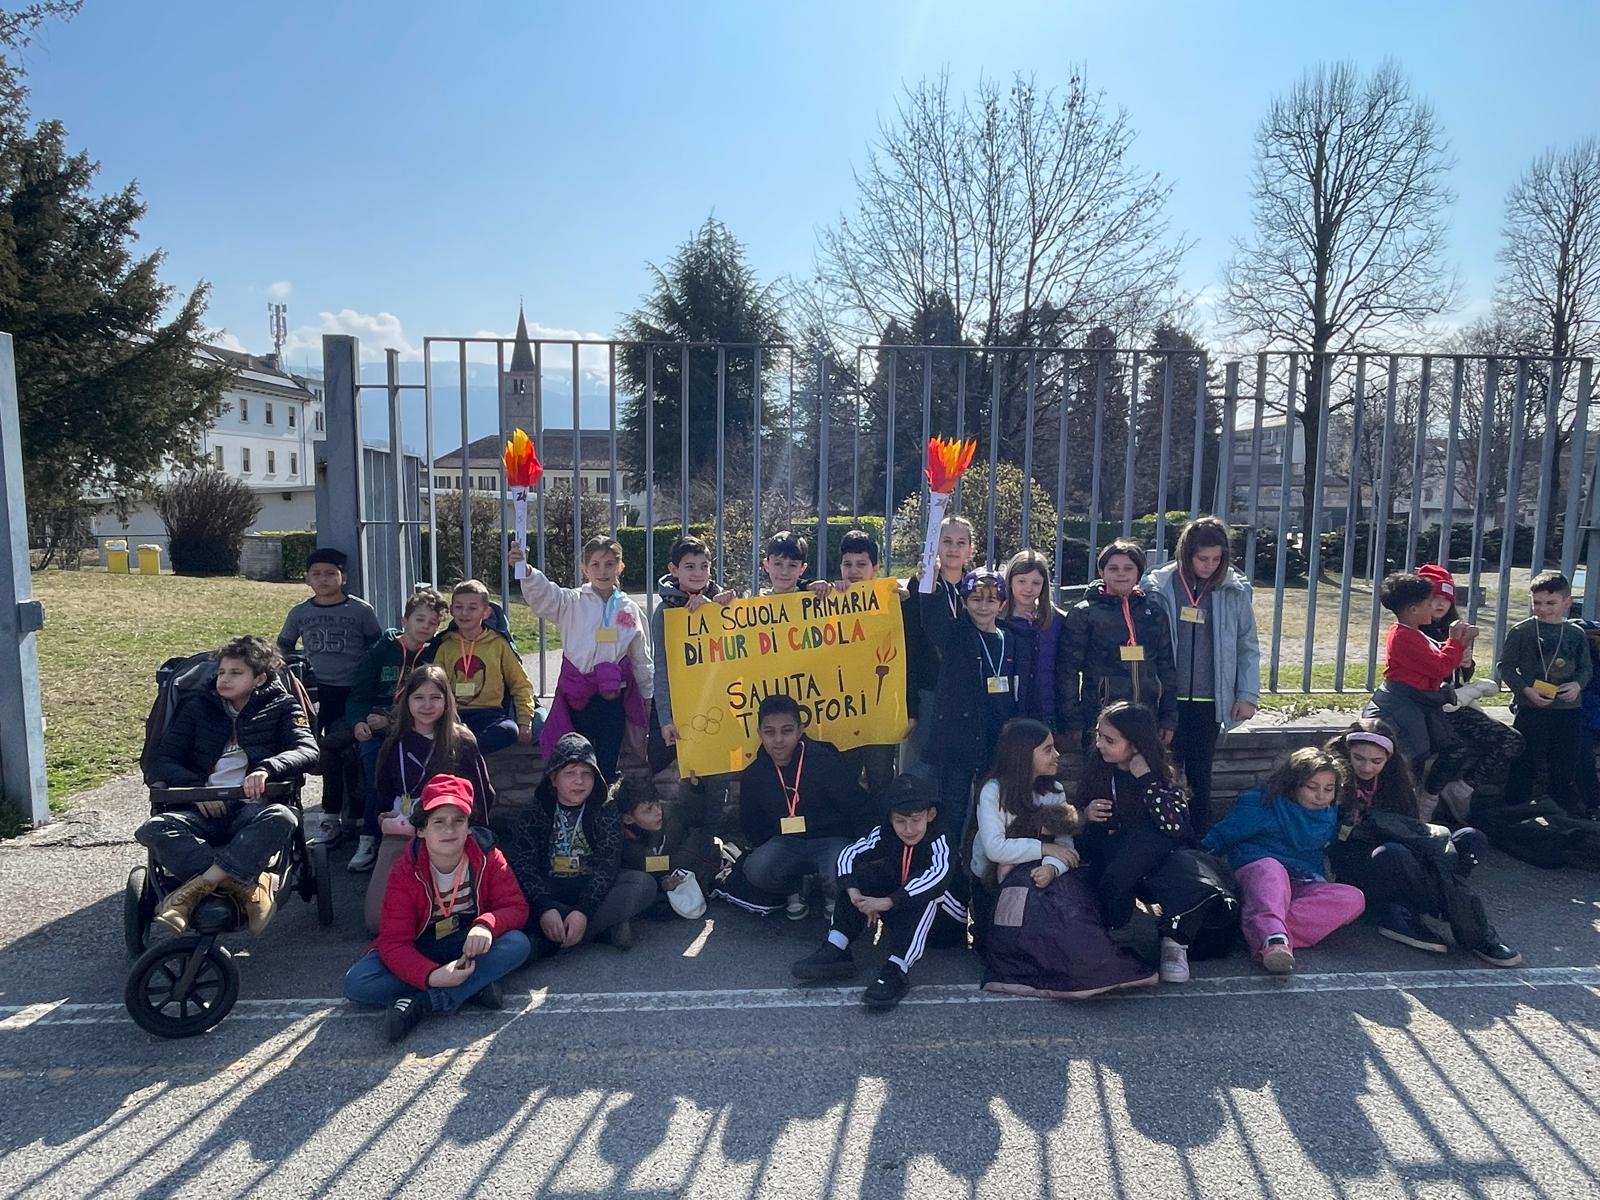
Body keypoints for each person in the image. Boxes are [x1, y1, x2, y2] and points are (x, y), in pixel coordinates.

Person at [140, 635, 320, 935]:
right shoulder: (197, 706)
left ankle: (198, 887)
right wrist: (195, 789)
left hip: (250, 808)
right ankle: (248, 885)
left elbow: (307, 750)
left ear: (259, 678)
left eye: (236, 673)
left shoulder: (282, 706)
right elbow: (161, 760)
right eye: (222, 672)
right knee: (153, 829)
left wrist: (267, 768)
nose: (224, 679)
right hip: (200, 808)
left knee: (283, 817)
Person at [972, 720, 1157, 1000]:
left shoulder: (1054, 791)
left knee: (1064, 916)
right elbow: (995, 849)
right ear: (1023, 755)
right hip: (998, 880)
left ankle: (1090, 967)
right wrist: (1044, 849)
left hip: (1044, 874)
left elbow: (1065, 846)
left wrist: (1052, 867)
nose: (1057, 755)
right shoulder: (993, 790)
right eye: (1048, 750)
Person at [343, 774, 531, 1043]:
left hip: (466, 944)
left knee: (518, 944)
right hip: (421, 946)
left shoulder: (489, 856)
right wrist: (431, 975)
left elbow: (516, 907)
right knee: (358, 982)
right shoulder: (405, 870)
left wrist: (486, 925)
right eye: (438, 822)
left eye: (458, 821)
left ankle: (424, 1003)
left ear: (469, 827)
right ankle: (473, 987)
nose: (449, 830)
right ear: (421, 830)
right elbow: (394, 942)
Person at [1324, 721, 1520, 966]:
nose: (1367, 767)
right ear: (1348, 752)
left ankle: (1415, 908)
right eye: (1359, 758)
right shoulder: (1333, 777)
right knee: (1392, 853)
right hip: (1360, 863)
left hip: (1402, 854)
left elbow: (1411, 827)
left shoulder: (1396, 780)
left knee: (1471, 838)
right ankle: (1470, 926)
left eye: (1376, 761)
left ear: (1388, 759)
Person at [1073, 701, 1237, 985]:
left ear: (1136, 744)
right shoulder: (1098, 769)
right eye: (1099, 736)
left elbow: (1176, 828)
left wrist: (1147, 780)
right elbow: (1075, 816)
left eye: (1109, 740)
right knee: (1127, 855)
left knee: (1178, 863)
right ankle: (1114, 930)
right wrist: (1085, 814)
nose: (1099, 744)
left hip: (1158, 861)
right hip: (1114, 860)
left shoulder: (1158, 774)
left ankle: (1174, 941)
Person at [791, 775, 967, 1010]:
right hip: (902, 908)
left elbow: (936, 878)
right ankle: (837, 947)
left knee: (927, 893)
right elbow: (849, 855)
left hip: (944, 924)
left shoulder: (942, 838)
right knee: (863, 875)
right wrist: (853, 891)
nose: (908, 829)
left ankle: (897, 968)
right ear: (890, 818)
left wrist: (888, 901)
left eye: (916, 820)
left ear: (931, 815)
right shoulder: (886, 832)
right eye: (900, 821)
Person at [1142, 516, 1261, 831]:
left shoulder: (1234, 589)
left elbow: (1247, 644)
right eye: (1202, 558)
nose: (1209, 565)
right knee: (1165, 772)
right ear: (1186, 554)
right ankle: (1165, 834)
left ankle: (1199, 837)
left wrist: (1247, 694)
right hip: (1168, 698)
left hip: (1210, 699)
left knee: (1200, 774)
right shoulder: (1159, 585)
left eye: (1216, 559)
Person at [1202, 748, 1365, 974]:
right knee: (1272, 870)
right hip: (1258, 876)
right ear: (1293, 784)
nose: (1321, 796)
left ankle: (1254, 930)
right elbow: (1219, 838)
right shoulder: (1260, 804)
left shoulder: (1330, 814)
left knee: (1353, 898)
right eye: (1312, 787)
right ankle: (1272, 939)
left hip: (1303, 881)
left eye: (1329, 789)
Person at [712, 694, 873, 920]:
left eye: (786, 731)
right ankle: (794, 887)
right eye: (770, 732)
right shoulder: (754, 774)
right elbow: (751, 826)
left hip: (830, 839)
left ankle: (831, 892)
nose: (778, 740)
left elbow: (856, 805)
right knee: (757, 868)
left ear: (800, 731)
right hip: (785, 842)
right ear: (759, 734)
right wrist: (770, 847)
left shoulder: (825, 761)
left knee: (842, 866)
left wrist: (861, 847)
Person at [361, 664, 496, 933]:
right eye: (419, 697)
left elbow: (482, 796)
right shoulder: (395, 743)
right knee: (377, 922)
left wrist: (470, 830)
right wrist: (383, 818)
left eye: (435, 697)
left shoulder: (462, 742)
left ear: (446, 701)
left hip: (450, 832)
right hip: (403, 831)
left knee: (447, 915)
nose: (427, 705)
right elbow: (383, 792)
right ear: (407, 701)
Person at [503, 732, 658, 955]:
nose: (579, 781)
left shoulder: (605, 809)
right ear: (553, 778)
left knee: (643, 884)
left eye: (587, 773)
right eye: (570, 773)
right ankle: (604, 930)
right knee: (514, 895)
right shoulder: (534, 810)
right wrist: (544, 907)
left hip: (590, 887)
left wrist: (584, 910)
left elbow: (607, 864)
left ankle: (555, 940)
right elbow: (524, 864)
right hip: (549, 888)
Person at [512, 536, 651, 782]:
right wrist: (528, 571)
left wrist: (648, 697)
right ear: (585, 569)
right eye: (595, 564)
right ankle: (577, 803)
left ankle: (604, 802)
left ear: (620, 567)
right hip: (578, 698)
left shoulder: (629, 608)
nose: (602, 571)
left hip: (612, 698)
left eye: (609, 564)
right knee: (577, 761)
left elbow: (641, 657)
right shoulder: (571, 602)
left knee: (607, 759)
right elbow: (546, 595)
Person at [276, 547, 382, 844]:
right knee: (321, 754)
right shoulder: (300, 613)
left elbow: (376, 648)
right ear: (307, 578)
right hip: (316, 693)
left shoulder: (361, 611)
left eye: (330, 573)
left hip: (353, 692)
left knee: (348, 751)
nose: (323, 579)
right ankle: (323, 816)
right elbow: (282, 649)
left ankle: (352, 816)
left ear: (343, 577)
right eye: (316, 574)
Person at [927, 567, 1039, 840]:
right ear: (964, 602)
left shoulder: (1010, 638)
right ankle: (948, 863)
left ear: (1002, 604)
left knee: (990, 809)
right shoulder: (956, 634)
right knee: (954, 809)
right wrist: (929, 581)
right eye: (976, 599)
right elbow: (932, 621)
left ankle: (979, 863)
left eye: (991, 600)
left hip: (997, 739)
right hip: (960, 739)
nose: (983, 606)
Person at [346, 587, 449, 871]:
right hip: (376, 726)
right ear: (405, 620)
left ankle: (418, 832)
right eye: (420, 619)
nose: (425, 627)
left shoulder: (435, 653)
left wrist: (392, 722)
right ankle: (369, 838)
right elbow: (358, 694)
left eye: (432, 623)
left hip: (413, 724)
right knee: (377, 775)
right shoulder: (380, 651)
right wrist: (358, 721)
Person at [812, 528, 918, 802]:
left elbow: (907, 657)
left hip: (880, 712)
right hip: (841, 710)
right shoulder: (829, 600)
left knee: (880, 778)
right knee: (843, 780)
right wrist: (815, 589)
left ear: (876, 568)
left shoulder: (893, 601)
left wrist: (904, 602)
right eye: (848, 564)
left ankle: (882, 825)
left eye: (862, 564)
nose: (854, 571)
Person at [1414, 565, 1523, 822]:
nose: (1440, 604)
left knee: (1512, 740)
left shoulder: (1453, 628)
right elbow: (1429, 673)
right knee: (1456, 749)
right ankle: (1428, 798)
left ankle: (1463, 788)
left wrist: (1466, 664)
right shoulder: (1415, 632)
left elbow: (1460, 677)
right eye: (1433, 598)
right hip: (1430, 707)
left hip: (1457, 705)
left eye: (1445, 598)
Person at [649, 535, 735, 832]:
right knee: (691, 778)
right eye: (689, 566)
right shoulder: (664, 613)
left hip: (722, 707)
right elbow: (661, 668)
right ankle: (689, 839)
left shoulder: (724, 601)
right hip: (686, 711)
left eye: (704, 566)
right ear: (674, 570)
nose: (698, 573)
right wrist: (665, 718)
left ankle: (714, 839)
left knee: (720, 780)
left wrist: (717, 609)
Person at [1363, 570, 1476, 794]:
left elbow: (1436, 660)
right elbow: (1440, 667)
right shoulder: (1403, 636)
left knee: (1448, 749)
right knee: (1410, 758)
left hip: (1416, 702)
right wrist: (1455, 641)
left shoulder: (1411, 633)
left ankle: (1423, 799)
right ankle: (1404, 802)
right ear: (1413, 609)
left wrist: (1458, 645)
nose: (1432, 606)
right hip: (1403, 705)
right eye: (1427, 603)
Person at [1060, 540, 1178, 752]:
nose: (1121, 573)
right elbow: (1067, 671)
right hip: (1100, 719)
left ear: (1138, 572)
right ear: (1102, 572)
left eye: (1128, 568)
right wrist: (1073, 721)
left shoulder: (1154, 613)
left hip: (1147, 717)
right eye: (1113, 568)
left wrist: (1168, 718)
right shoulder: (1085, 613)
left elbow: (1166, 667)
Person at [1498, 570, 1595, 819]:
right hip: (1532, 707)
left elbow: (1586, 668)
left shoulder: (1575, 633)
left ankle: (1559, 810)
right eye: (1537, 603)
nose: (1543, 609)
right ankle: (1515, 807)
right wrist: (1525, 690)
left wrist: (1577, 686)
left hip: (1567, 709)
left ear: (1567, 602)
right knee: (1526, 757)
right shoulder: (1522, 631)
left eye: (1550, 603)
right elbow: (1506, 667)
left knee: (1565, 760)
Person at [431, 579, 536, 758]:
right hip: (453, 715)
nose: (464, 613)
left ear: (486, 613)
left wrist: (525, 722)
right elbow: (435, 686)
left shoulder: (499, 645)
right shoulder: (445, 646)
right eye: (459, 607)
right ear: (451, 610)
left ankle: (462, 756)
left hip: (490, 714)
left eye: (472, 608)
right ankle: (466, 755)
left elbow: (521, 685)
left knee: (509, 731)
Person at [905, 515, 975, 778]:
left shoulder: (977, 586)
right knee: (921, 766)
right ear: (935, 546)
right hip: (929, 689)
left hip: (966, 690)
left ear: (970, 549)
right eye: (946, 541)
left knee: (958, 767)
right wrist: (911, 704)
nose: (953, 549)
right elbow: (910, 644)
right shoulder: (920, 585)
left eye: (960, 542)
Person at [617, 777, 716, 921]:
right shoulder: (628, 846)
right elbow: (649, 865)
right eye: (648, 810)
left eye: (657, 803)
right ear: (628, 819)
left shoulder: (670, 813)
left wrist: (695, 789)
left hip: (687, 862)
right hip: (661, 876)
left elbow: (694, 816)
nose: (658, 811)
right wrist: (662, 884)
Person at [1002, 550, 1070, 752]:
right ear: (1010, 581)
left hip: (1047, 707)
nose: (1028, 589)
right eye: (1021, 581)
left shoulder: (1057, 620)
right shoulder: (997, 618)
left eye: (1036, 583)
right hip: (1010, 710)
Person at [759, 529, 809, 595]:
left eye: (792, 565)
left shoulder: (816, 598)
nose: (784, 572)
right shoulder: (754, 599)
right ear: (767, 565)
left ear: (802, 569)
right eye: (778, 564)